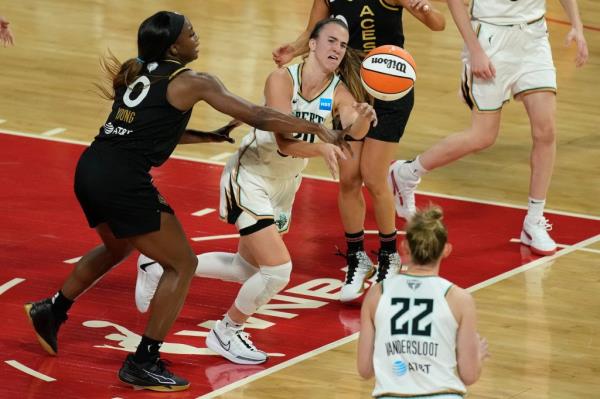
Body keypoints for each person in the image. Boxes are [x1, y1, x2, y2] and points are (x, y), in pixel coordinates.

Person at [23, 11, 349, 393]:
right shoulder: (194, 81)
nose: (198, 37)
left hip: (92, 168)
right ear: (174, 45)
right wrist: (318, 129)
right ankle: (143, 361)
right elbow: (258, 115)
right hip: (123, 180)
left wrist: (208, 136)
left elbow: (147, 131)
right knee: (182, 264)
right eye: (191, 34)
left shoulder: (140, 72)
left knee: (116, 246)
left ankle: (52, 309)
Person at [134, 17, 377, 365]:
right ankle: (226, 331)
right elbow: (284, 141)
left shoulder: (339, 90)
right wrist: (324, 147)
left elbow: (352, 126)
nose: (337, 49)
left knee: (246, 271)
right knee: (278, 271)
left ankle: (158, 265)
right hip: (251, 176)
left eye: (343, 43)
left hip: (283, 186)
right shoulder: (281, 79)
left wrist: (365, 116)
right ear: (312, 43)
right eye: (331, 41)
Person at [273, 0, 446, 303]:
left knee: (374, 177)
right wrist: (294, 49)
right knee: (348, 179)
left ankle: (389, 256)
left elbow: (438, 24)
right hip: (350, 90)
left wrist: (425, 8)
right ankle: (357, 258)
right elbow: (313, 32)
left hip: (390, 90)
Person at [389, 0, 589, 256]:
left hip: (534, 37)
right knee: (482, 136)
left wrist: (577, 25)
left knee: (546, 132)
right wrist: (475, 49)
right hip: (490, 38)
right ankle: (406, 173)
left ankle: (534, 220)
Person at [357, 206, 489, 397]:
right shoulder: (459, 299)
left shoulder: (377, 293)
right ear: (446, 250)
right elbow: (469, 375)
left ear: (405, 247)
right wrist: (476, 356)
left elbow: (364, 369)